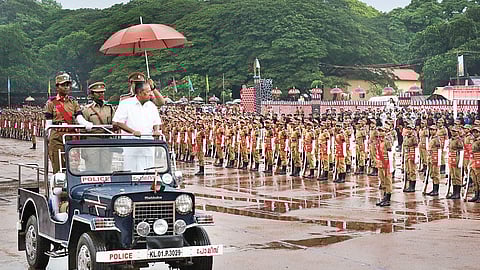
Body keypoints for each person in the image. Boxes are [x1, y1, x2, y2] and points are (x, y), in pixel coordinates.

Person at [44, 72, 94, 173]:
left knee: (73, 167)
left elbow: (79, 117)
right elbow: (48, 123)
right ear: (57, 87)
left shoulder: (73, 102)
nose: (66, 87)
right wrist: (48, 138)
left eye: (68, 85)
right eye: (63, 85)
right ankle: (58, 187)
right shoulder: (51, 103)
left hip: (71, 136)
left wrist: (86, 124)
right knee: (58, 166)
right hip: (57, 136)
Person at [113, 82, 162, 171]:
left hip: (148, 144)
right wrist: (132, 132)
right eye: (148, 92)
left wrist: (156, 130)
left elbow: (156, 122)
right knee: (131, 170)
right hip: (131, 144)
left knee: (148, 171)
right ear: (140, 92)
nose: (151, 94)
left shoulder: (151, 106)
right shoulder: (126, 104)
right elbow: (119, 122)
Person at [81, 81, 115, 173]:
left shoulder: (110, 108)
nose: (101, 94)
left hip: (106, 141)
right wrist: (83, 149)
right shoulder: (86, 110)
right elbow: (82, 132)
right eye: (98, 92)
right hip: (92, 141)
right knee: (92, 169)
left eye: (103, 92)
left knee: (106, 168)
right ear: (92, 94)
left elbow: (114, 125)